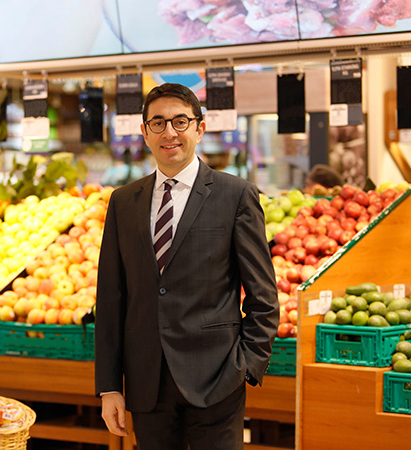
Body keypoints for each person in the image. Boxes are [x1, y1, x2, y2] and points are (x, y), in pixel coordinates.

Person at [95, 83, 279, 450]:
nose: (169, 133)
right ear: (145, 131)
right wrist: (109, 386)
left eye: (180, 121)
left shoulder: (235, 195)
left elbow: (263, 295)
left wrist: (247, 365)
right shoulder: (123, 202)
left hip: (218, 379)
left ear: (200, 128)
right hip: (147, 383)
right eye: (158, 123)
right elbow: (111, 298)